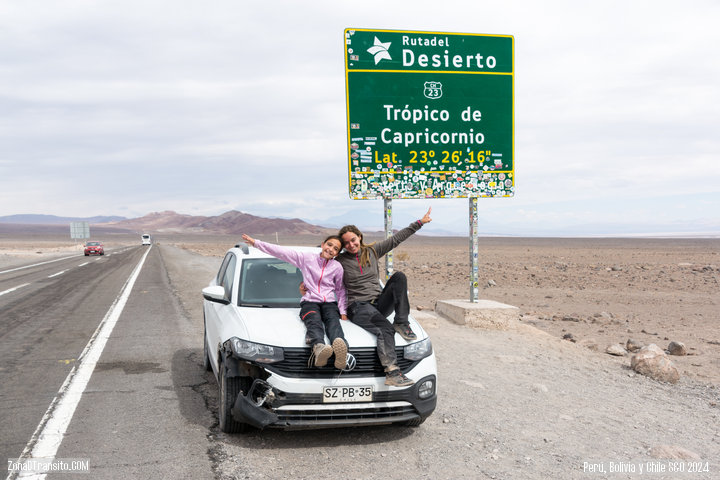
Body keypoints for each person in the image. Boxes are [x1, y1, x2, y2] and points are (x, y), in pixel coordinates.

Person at [336, 207, 432, 387]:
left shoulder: (372, 251)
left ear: (360, 237)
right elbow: (319, 260)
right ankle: (392, 372)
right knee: (385, 330)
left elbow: (396, 239)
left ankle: (402, 321)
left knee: (399, 277)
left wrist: (419, 223)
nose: (351, 245)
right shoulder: (340, 261)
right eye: (346, 243)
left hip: (378, 303)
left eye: (353, 240)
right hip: (358, 306)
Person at [241, 233, 349, 370]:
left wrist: (343, 311)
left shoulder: (337, 267)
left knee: (333, 321)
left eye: (335, 248)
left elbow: (340, 290)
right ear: (322, 244)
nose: (331, 249)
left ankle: (340, 350)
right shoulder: (307, 258)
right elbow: (281, 252)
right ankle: (319, 347)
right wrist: (256, 243)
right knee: (313, 320)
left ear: (337, 254)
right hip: (310, 300)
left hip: (329, 302)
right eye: (329, 245)